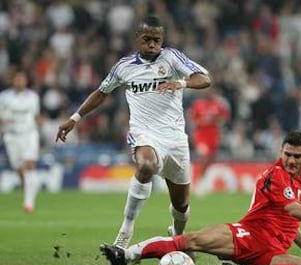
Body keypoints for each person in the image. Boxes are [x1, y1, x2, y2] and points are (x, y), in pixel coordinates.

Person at [100, 131, 301, 265]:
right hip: (246, 236)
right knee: (191, 241)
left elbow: (291, 221)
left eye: (297, 156)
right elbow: (292, 209)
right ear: (281, 151)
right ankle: (127, 254)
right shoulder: (274, 175)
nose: (290, 160)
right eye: (287, 154)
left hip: (271, 253)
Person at [56, 15, 211, 248]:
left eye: (157, 40)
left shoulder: (171, 58)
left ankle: (178, 238)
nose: (152, 45)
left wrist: (180, 83)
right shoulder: (124, 67)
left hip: (175, 138)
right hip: (144, 133)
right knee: (145, 166)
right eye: (147, 39)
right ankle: (125, 233)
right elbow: (101, 92)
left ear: (162, 40)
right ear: (137, 38)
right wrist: (75, 118)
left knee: (181, 205)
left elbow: (204, 79)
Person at [0, 70, 41, 213]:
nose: (19, 82)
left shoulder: (33, 97)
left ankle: (29, 203)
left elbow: (36, 116)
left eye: (21, 79)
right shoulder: (4, 97)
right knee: (18, 167)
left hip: (29, 134)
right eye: (17, 79)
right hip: (11, 136)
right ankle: (28, 189)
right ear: (13, 81)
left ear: (26, 81)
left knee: (30, 164)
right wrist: (3, 121)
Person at [188, 87, 230, 195]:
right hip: (201, 135)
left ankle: (202, 180)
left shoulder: (217, 105)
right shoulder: (198, 105)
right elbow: (191, 117)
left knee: (210, 159)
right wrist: (198, 124)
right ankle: (198, 182)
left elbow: (225, 117)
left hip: (213, 135)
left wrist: (217, 122)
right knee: (204, 156)